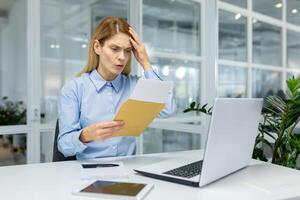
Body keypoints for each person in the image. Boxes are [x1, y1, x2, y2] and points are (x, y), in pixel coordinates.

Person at [57, 16, 176, 160]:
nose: (122, 57)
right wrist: (86, 135)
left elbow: (168, 109)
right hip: (89, 171)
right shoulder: (74, 89)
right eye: (115, 49)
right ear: (97, 47)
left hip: (129, 170)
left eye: (127, 50)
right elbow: (64, 146)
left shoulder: (135, 86)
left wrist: (145, 61)